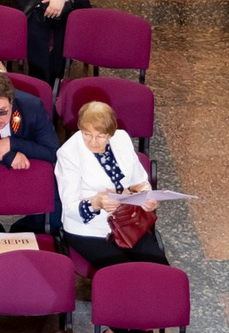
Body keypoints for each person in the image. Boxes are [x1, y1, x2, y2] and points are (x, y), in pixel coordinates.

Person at [55, 99, 166, 269]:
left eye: (100, 136)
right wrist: (97, 202)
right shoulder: (68, 154)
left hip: (126, 221)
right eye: (86, 134)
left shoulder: (121, 139)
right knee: (121, 274)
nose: (92, 142)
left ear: (110, 133)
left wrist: (146, 195)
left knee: (158, 267)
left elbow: (138, 181)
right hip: (87, 229)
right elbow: (69, 208)